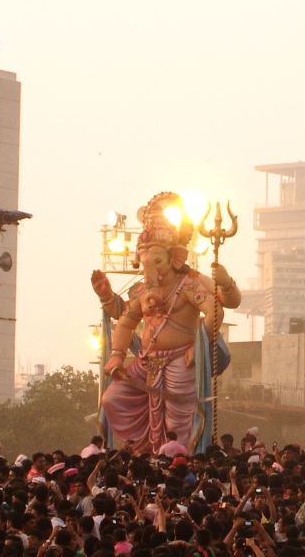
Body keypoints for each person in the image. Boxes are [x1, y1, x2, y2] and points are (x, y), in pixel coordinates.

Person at [92, 192, 240, 454]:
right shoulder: (142, 290)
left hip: (180, 360)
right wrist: (116, 355)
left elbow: (218, 309)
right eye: (146, 263)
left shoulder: (189, 283)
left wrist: (200, 342)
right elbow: (125, 320)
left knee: (177, 418)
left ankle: (177, 459)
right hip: (147, 361)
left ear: (176, 258)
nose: (152, 270)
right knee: (112, 398)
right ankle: (140, 452)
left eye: (157, 262)